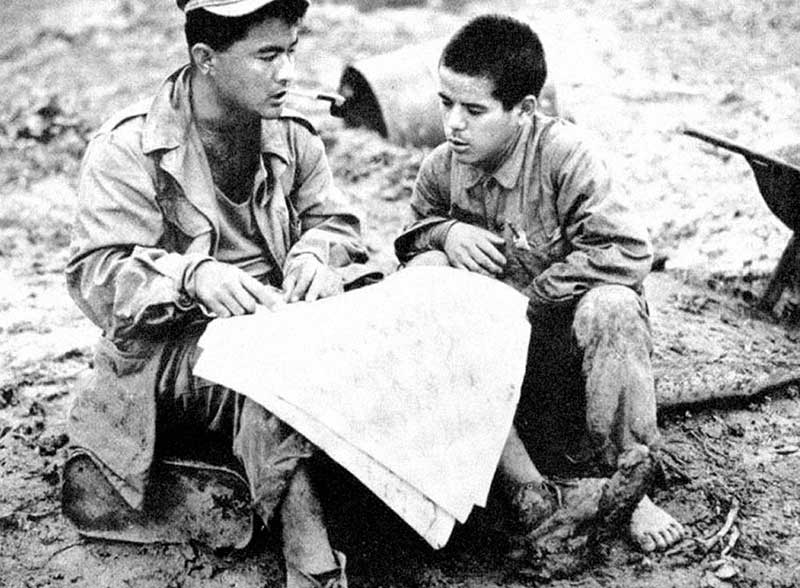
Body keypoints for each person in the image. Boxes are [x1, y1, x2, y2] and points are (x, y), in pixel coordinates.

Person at [64, 1, 373, 586]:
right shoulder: (131, 146)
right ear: (205, 59)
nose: (286, 72)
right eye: (266, 56)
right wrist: (190, 276)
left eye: (291, 52)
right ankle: (313, 569)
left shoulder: (287, 130)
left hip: (280, 320)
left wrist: (315, 252)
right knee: (271, 378)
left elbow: (335, 222)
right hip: (169, 349)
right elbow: (95, 277)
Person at [394, 14, 685, 554]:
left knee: (614, 308)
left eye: (474, 110)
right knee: (426, 275)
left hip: (563, 355)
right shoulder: (441, 167)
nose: (453, 124)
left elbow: (626, 249)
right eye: (445, 103)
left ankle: (629, 481)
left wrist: (529, 299)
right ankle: (519, 487)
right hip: (488, 374)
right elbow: (408, 240)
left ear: (524, 110)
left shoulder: (565, 156)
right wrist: (444, 233)